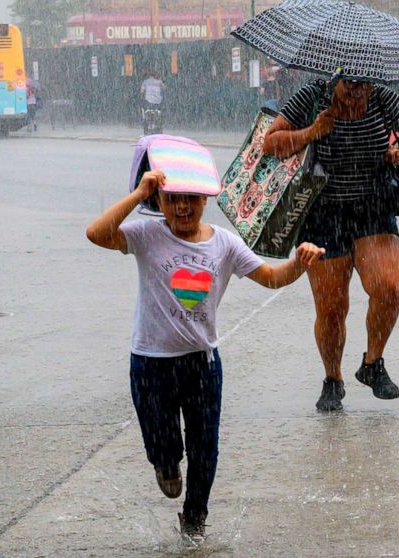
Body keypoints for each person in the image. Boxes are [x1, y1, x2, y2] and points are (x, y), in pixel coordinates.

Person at [85, 168, 324, 542]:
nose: (181, 208)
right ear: (159, 202)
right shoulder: (147, 235)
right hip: (150, 362)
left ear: (205, 200)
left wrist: (300, 262)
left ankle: (194, 520)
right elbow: (96, 234)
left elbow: (272, 278)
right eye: (171, 200)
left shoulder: (224, 244)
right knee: (165, 451)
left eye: (190, 199)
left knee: (205, 450)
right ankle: (165, 463)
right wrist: (138, 193)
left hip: (202, 363)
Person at [262, 72, 399, 412]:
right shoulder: (312, 97)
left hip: (373, 208)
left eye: (365, 84)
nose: (358, 91)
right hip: (322, 213)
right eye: (351, 84)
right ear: (335, 78)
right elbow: (270, 144)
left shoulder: (384, 98)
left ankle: (373, 363)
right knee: (331, 308)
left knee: (388, 288)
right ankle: (333, 378)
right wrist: (313, 131)